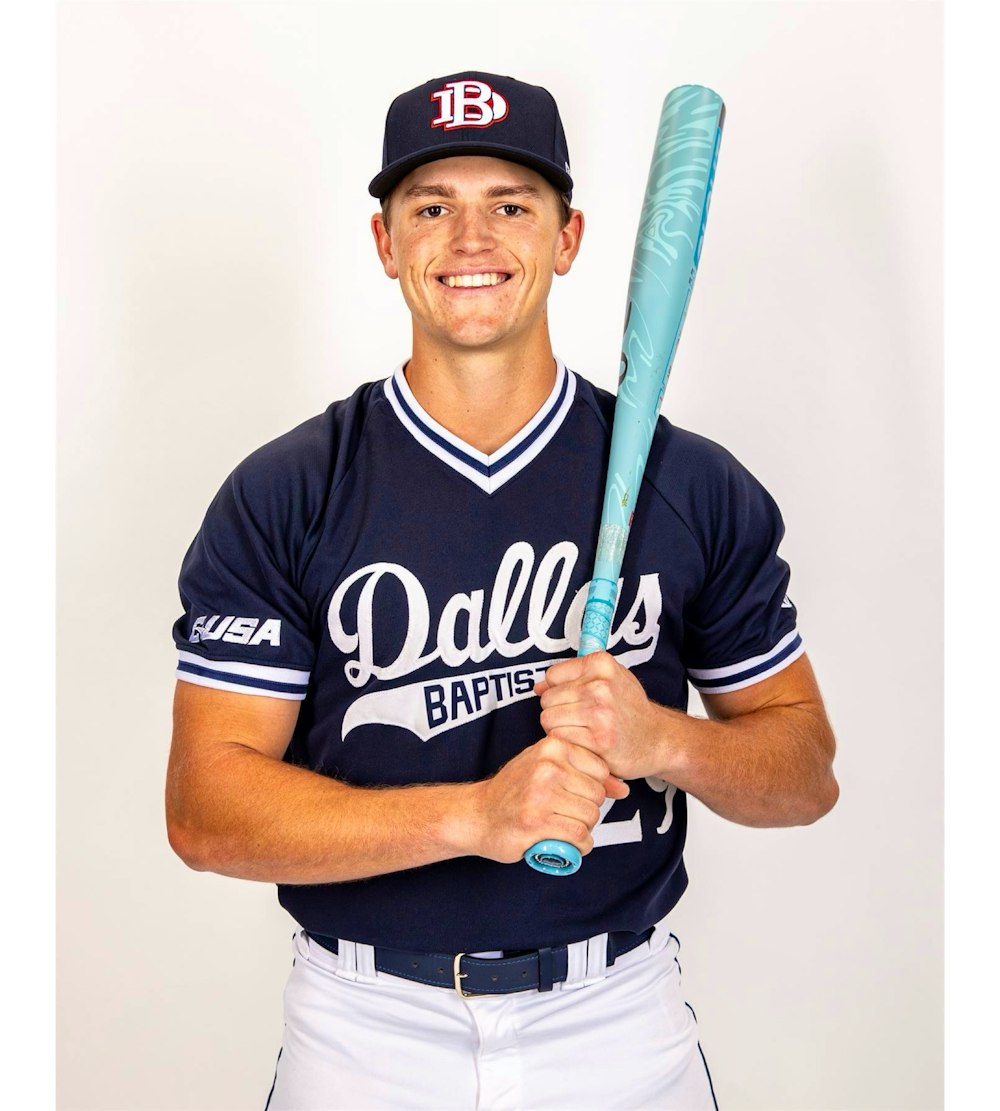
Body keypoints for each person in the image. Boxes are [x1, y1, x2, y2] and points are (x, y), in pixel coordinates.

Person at [166, 70, 839, 1110]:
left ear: (568, 238)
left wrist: (663, 739)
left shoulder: (690, 483)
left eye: (512, 206)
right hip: (362, 1032)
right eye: (432, 207)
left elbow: (804, 775)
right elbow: (205, 810)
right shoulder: (289, 490)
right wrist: (475, 815)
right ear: (385, 242)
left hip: (617, 1023)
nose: (471, 238)